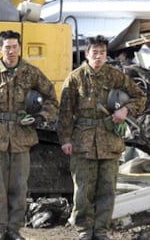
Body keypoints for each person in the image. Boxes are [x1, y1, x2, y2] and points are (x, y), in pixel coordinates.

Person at [57, 35, 146, 240]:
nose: (98, 56)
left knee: (107, 190)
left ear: (106, 55)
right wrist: (65, 140)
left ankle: (101, 231)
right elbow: (65, 112)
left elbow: (140, 96)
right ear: (87, 54)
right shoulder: (75, 78)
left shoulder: (115, 76)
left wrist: (126, 110)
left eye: (102, 53)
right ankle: (84, 231)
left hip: (110, 141)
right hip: (83, 141)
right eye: (94, 52)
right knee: (83, 191)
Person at [0, 30, 58, 240]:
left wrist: (41, 117)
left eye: (15, 47)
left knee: (19, 187)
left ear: (20, 48)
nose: (11, 51)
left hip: (21, 136)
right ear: (0, 48)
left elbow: (52, 98)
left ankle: (14, 230)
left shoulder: (32, 73)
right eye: (7, 47)